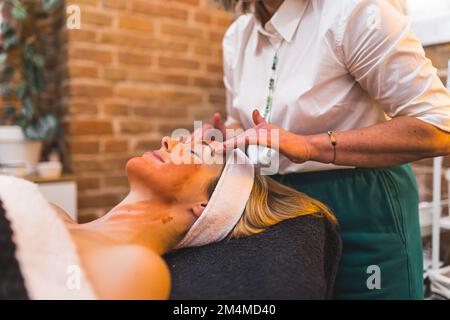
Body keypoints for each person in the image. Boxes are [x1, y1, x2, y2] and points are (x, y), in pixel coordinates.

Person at [209, 0, 450, 299]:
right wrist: (225, 139)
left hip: (360, 202)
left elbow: (439, 127)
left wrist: (309, 146)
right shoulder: (236, 36)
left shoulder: (357, 12)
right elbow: (242, 121)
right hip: (274, 206)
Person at [50, 136, 336, 299]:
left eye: (193, 151)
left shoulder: (137, 268)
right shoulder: (52, 212)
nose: (168, 140)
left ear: (205, 204)